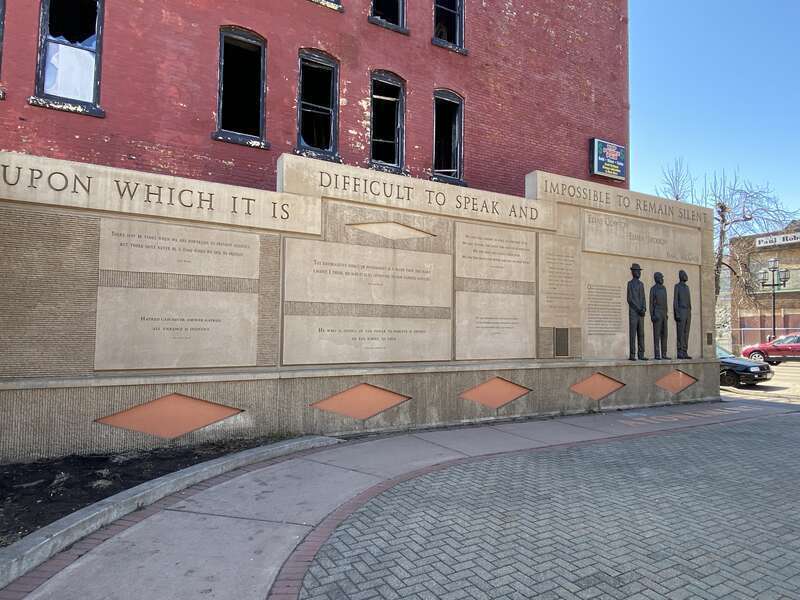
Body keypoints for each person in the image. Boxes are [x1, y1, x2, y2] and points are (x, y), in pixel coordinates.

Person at [627, 263, 647, 360]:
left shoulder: (641, 284)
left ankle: (641, 354)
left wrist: (644, 308)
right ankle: (632, 355)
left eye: (640, 271)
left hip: (641, 313)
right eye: (637, 271)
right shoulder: (630, 284)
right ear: (633, 272)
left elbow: (643, 298)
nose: (639, 273)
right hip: (634, 312)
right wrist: (639, 308)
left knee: (641, 334)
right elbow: (629, 299)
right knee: (633, 334)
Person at [649, 272, 670, 360]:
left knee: (665, 334)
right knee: (657, 334)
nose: (662, 279)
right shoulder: (653, 289)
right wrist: (652, 315)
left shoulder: (664, 288)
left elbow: (666, 302)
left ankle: (664, 354)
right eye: (661, 277)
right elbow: (651, 303)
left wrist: (667, 313)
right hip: (657, 312)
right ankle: (657, 354)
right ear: (657, 278)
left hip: (664, 313)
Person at [674, 270, 692, 359]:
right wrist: (677, 313)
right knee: (680, 333)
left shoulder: (687, 287)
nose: (686, 276)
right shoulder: (677, 286)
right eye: (684, 275)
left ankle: (685, 351)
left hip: (688, 311)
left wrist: (690, 311)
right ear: (681, 276)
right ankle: (680, 351)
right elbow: (675, 301)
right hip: (681, 311)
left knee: (686, 333)